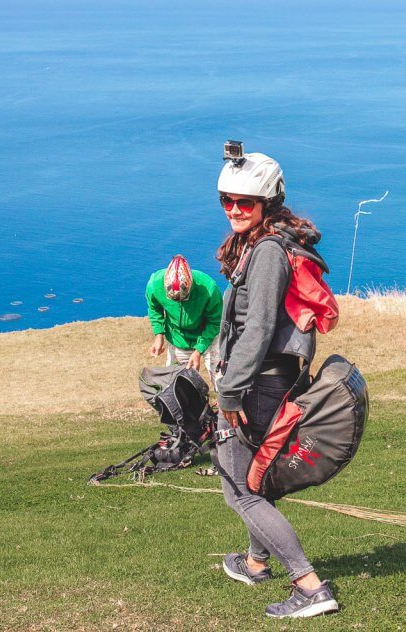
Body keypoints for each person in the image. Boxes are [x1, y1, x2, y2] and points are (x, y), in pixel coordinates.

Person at [212, 148, 339, 618]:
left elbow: (259, 328)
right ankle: (253, 562)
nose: (234, 209)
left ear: (269, 202)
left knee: (240, 489)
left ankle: (309, 586)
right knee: (254, 480)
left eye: (245, 201)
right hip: (270, 381)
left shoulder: (267, 252)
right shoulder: (273, 243)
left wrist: (229, 390)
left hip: (256, 385)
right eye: (227, 200)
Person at [146, 255, 223, 388]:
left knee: (221, 381)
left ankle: (225, 407)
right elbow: (154, 308)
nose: (180, 302)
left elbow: (215, 322)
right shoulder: (154, 284)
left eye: (184, 298)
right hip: (178, 338)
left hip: (209, 336)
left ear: (191, 284)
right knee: (175, 383)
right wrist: (159, 334)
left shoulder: (209, 287)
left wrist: (199, 350)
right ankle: (190, 408)